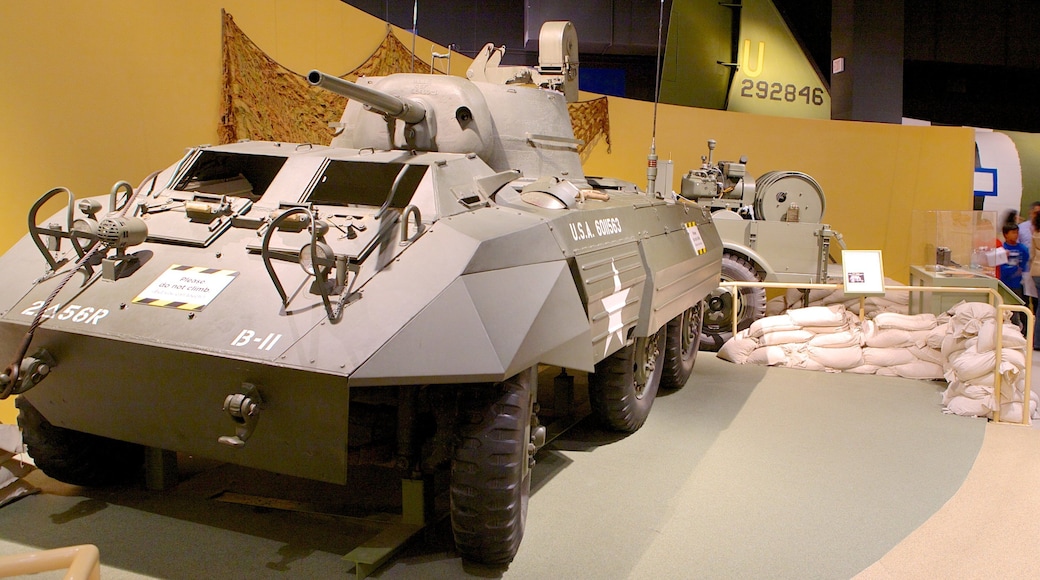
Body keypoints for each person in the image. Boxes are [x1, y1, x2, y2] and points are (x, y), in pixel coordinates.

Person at [999, 223, 1029, 334]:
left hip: (1018, 283)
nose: (1015, 235)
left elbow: (1025, 263)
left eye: (1017, 232)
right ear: (1005, 235)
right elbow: (1000, 266)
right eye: (1013, 233)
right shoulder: (1002, 249)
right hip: (1005, 283)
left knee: (1019, 307)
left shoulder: (1023, 249)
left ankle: (1024, 330)